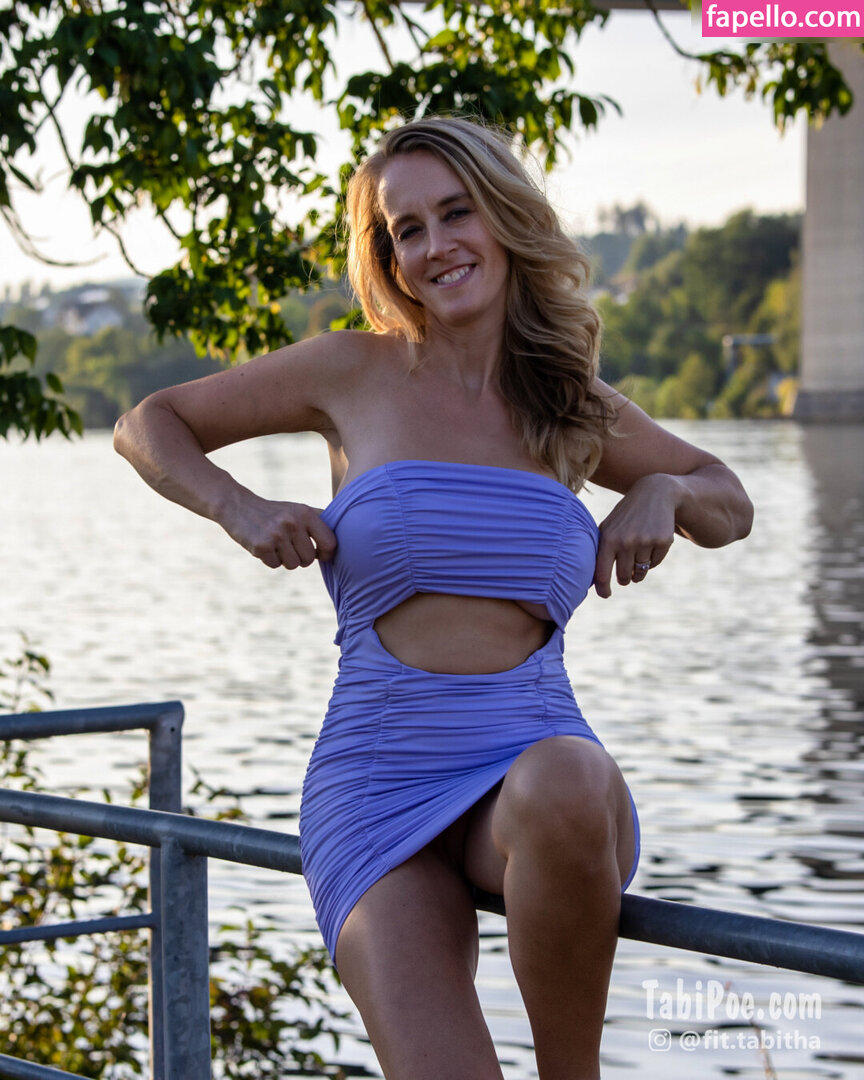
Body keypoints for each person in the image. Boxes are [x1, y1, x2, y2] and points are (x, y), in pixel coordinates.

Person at [114, 115, 753, 1080]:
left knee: (568, 776)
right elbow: (148, 423)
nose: (435, 244)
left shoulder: (568, 401)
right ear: (390, 258)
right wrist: (239, 507)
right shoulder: (350, 370)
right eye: (405, 229)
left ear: (504, 218)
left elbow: (728, 500)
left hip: (536, 784)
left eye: (456, 213)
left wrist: (663, 489)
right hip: (378, 781)